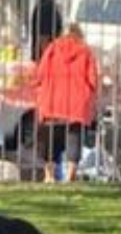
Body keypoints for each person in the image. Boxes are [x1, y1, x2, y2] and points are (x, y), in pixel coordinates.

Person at [31, 23, 99, 183]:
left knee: (50, 139)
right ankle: (70, 175)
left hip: (52, 101)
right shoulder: (86, 52)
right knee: (74, 138)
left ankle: (49, 175)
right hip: (76, 104)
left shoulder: (52, 49)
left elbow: (39, 75)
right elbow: (93, 80)